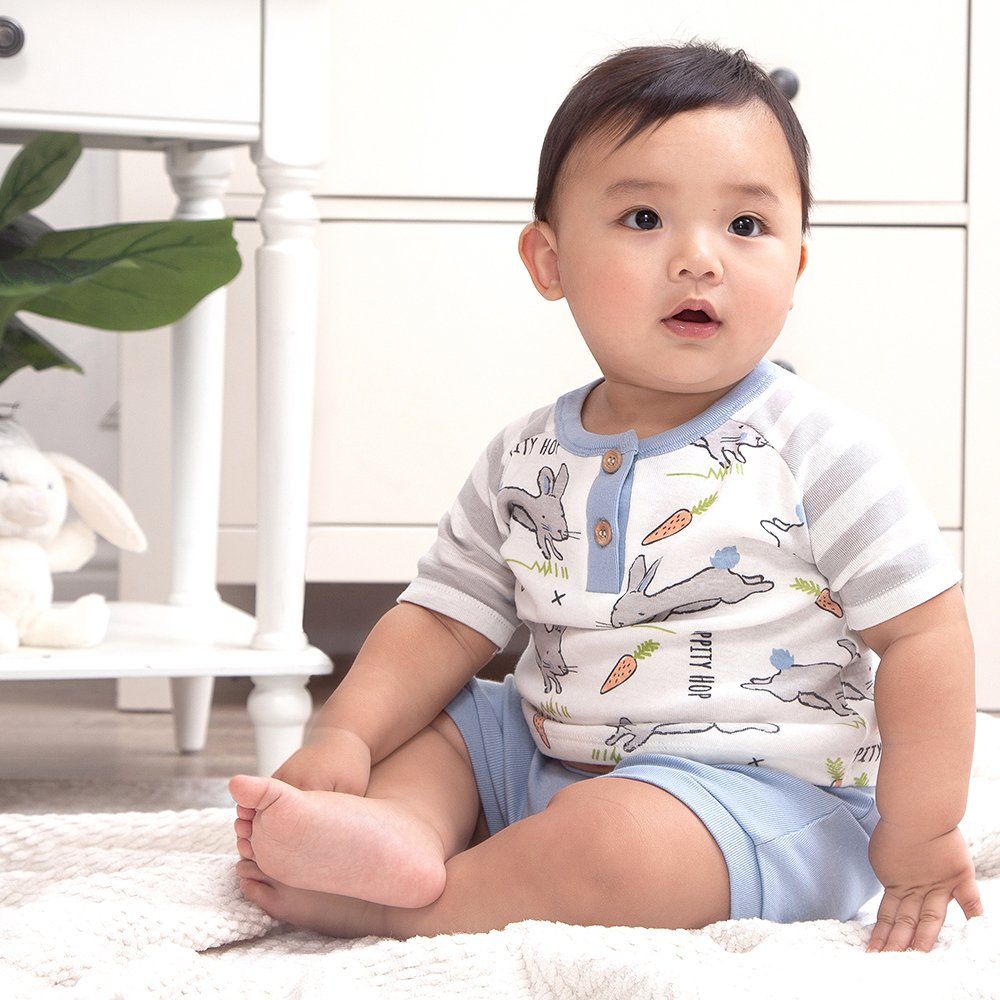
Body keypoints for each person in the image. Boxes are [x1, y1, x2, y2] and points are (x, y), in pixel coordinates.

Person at [228, 40, 983, 949]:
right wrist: (346, 737)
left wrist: (923, 828)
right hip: (548, 750)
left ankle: (404, 906)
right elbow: (441, 621)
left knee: (618, 845)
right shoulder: (526, 454)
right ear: (548, 261)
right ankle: (400, 829)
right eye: (643, 218)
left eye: (746, 225)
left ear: (796, 266)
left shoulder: (821, 450)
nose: (699, 259)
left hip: (758, 804)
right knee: (443, 725)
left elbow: (926, 636)